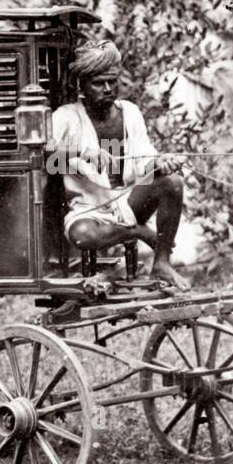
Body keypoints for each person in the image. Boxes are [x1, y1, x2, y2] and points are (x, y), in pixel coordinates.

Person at [49, 38, 190, 291]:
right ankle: (135, 232)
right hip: (88, 210)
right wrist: (81, 152)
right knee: (82, 235)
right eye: (98, 83)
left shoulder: (130, 113)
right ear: (81, 85)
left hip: (127, 202)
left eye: (112, 81)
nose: (107, 88)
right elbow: (45, 155)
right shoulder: (67, 117)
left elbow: (144, 158)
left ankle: (162, 262)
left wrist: (161, 162)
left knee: (172, 182)